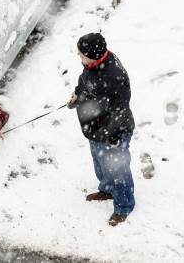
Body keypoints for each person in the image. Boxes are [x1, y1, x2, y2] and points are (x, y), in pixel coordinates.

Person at [68, 32, 135, 226]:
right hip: (95, 127)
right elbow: (85, 80)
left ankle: (124, 206)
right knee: (100, 163)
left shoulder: (114, 76)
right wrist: (77, 93)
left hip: (112, 132)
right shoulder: (93, 63)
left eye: (81, 54)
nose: (79, 57)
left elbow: (120, 109)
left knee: (118, 169)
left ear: (94, 55)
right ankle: (107, 189)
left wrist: (111, 135)